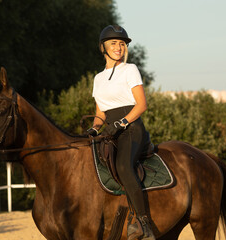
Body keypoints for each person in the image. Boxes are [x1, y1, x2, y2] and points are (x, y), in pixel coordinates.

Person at [87, 25, 155, 240]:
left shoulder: (130, 69)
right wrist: (94, 128)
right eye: (114, 43)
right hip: (110, 132)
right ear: (103, 47)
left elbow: (142, 104)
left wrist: (123, 122)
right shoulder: (98, 78)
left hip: (132, 129)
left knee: (124, 166)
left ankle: (144, 224)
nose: (118, 47)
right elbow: (101, 113)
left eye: (122, 43)